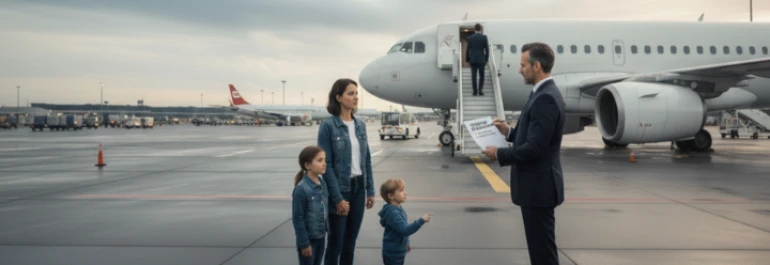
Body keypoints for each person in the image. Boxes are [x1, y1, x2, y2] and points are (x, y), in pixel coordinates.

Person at [481, 42, 565, 265]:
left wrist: (500, 154)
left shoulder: (545, 98)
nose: (520, 70)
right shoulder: (541, 93)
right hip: (537, 189)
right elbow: (533, 137)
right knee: (540, 250)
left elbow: (535, 149)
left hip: (538, 190)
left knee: (543, 254)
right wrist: (508, 132)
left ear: (536, 66)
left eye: (523, 65)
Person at [318, 78, 376, 265]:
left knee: (350, 244)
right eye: (351, 93)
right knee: (336, 244)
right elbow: (326, 165)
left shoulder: (360, 125)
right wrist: (337, 198)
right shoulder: (328, 126)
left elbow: (366, 160)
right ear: (338, 97)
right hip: (340, 189)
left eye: (356, 93)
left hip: (359, 189)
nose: (356, 97)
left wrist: (370, 190)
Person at [378, 178, 432, 265]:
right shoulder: (393, 213)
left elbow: (401, 230)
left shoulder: (398, 209)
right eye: (401, 191)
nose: (405, 193)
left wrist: (406, 243)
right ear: (391, 196)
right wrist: (421, 221)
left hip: (398, 251)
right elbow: (405, 230)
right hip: (393, 255)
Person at [292, 146, 329, 265]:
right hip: (309, 240)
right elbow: (298, 218)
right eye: (320, 160)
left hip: (321, 237)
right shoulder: (301, 189)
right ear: (307, 165)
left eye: (324, 160)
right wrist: (304, 243)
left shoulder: (322, 183)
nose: (324, 163)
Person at [465, 23, 489, 96]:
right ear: (480, 29)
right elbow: (487, 49)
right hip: (481, 60)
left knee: (473, 76)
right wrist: (486, 59)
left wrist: (467, 59)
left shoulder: (470, 38)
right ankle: (480, 90)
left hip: (473, 60)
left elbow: (467, 50)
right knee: (482, 76)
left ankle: (474, 91)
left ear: (474, 29)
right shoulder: (484, 37)